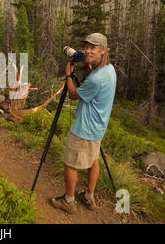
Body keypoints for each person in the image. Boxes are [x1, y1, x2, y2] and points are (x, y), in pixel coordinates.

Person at [50, 33, 116, 214]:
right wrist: (88, 64)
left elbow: (73, 95)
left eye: (92, 48)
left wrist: (69, 75)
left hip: (84, 129)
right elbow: (93, 75)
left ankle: (69, 201)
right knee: (93, 160)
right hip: (99, 127)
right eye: (86, 47)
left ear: (103, 50)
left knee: (70, 163)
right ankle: (88, 197)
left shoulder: (96, 79)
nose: (87, 50)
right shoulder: (109, 69)